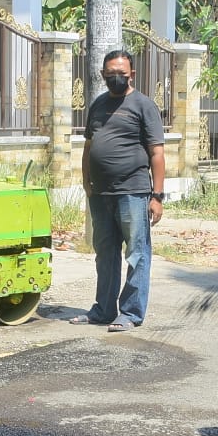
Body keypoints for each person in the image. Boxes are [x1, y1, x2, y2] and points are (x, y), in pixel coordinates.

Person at [69, 49, 166, 333]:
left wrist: (157, 196)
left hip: (133, 192)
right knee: (105, 253)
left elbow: (157, 153)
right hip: (101, 195)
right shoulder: (98, 105)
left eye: (121, 74)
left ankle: (131, 312)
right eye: (111, 74)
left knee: (137, 254)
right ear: (102, 75)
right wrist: (86, 183)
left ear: (132, 74)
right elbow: (89, 148)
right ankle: (103, 310)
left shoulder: (143, 105)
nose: (116, 78)